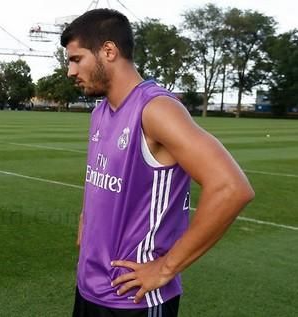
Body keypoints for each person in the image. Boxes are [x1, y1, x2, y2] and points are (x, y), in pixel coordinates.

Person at [61, 9, 255, 317]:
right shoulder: (100, 112)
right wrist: (88, 221)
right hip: (90, 289)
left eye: (76, 59)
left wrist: (165, 268)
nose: (70, 71)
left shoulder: (155, 109)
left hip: (134, 300)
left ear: (108, 51)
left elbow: (231, 187)